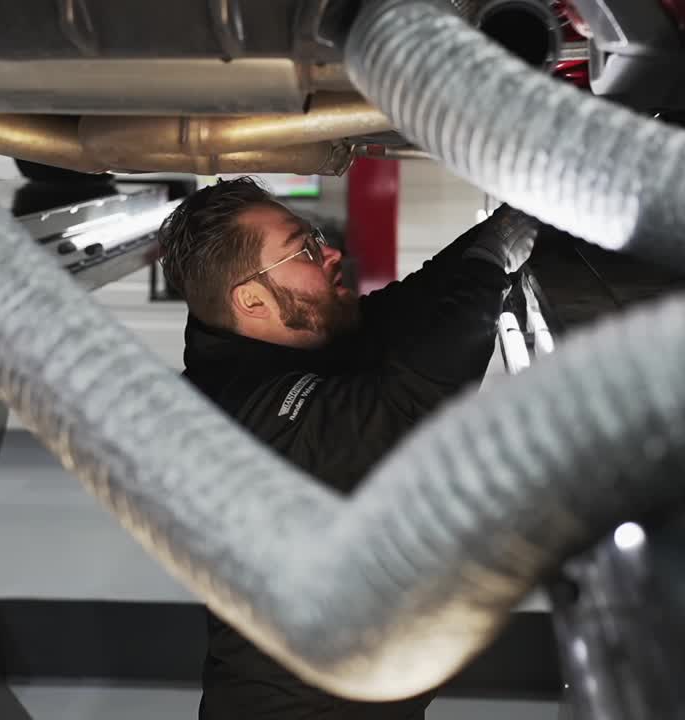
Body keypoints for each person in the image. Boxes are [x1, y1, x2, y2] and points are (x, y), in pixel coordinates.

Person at [157, 177, 539, 720]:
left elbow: (409, 308)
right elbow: (410, 403)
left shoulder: (282, 339)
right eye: (305, 249)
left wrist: (505, 227)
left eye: (314, 236)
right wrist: (493, 256)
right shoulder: (233, 423)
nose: (330, 251)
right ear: (251, 299)